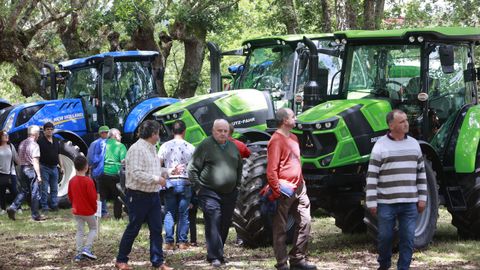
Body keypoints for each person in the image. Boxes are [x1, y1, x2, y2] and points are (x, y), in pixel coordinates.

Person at [366, 109, 427, 270]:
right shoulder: (380, 146)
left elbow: (421, 174)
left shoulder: (414, 144)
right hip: (386, 203)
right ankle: (384, 265)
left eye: (406, 120)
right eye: (402, 121)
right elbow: (372, 176)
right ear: (391, 125)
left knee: (407, 239)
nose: (406, 123)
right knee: (385, 238)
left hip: (409, 203)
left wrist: (423, 198)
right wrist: (371, 201)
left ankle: (403, 267)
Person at [115, 120, 172, 270]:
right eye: (158, 133)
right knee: (133, 228)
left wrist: (167, 172)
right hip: (138, 195)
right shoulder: (136, 149)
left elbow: (152, 169)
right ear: (153, 134)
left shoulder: (152, 148)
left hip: (153, 195)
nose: (159, 136)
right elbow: (136, 173)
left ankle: (158, 262)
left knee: (156, 229)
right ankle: (121, 260)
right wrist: (157, 179)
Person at [188, 119, 242, 268]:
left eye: (225, 131)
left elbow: (239, 167)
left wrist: (237, 185)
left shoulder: (232, 146)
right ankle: (214, 256)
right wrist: (198, 188)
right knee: (213, 218)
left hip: (230, 193)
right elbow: (192, 168)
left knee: (224, 223)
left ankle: (218, 252)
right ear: (213, 131)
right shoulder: (205, 145)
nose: (223, 133)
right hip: (208, 191)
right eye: (219, 130)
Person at [267, 108, 316, 270]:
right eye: (293, 116)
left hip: (299, 187)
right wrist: (276, 190)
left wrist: (301, 182)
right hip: (284, 190)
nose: (296, 119)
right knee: (280, 228)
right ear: (284, 120)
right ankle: (282, 263)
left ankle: (298, 259)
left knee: (305, 221)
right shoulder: (276, 140)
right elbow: (271, 170)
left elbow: (295, 161)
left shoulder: (294, 137)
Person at [158, 120, 195, 250]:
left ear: (172, 131)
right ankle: (182, 242)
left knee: (169, 212)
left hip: (170, 182)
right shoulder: (191, 147)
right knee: (183, 213)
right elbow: (193, 167)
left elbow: (159, 164)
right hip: (185, 182)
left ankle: (168, 242)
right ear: (184, 131)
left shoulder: (164, 146)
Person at [6, 125, 44, 221]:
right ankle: (35, 215)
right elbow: (35, 161)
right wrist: (39, 175)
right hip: (31, 169)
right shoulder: (35, 145)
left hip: (22, 169)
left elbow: (18, 158)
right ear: (35, 134)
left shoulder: (22, 143)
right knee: (35, 193)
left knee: (24, 191)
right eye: (39, 133)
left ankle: (13, 207)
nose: (39, 135)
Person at [68, 155, 98, 262]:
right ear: (87, 167)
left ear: (75, 167)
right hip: (88, 211)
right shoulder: (89, 181)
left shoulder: (72, 181)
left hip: (76, 210)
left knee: (80, 231)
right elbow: (92, 197)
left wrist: (74, 205)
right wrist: (95, 208)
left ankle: (78, 253)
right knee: (93, 228)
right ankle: (87, 248)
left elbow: (70, 196)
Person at [99, 128, 127, 219]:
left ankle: (98, 215)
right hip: (114, 174)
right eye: (120, 135)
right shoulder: (121, 146)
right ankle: (117, 217)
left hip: (102, 173)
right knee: (117, 197)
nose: (121, 136)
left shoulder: (103, 144)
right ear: (115, 135)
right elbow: (124, 161)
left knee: (101, 197)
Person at [38, 122, 64, 212]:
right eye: (47, 129)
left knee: (54, 188)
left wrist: (62, 166)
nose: (49, 131)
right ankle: (44, 207)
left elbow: (59, 154)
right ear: (44, 131)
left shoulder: (56, 140)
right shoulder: (40, 141)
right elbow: (37, 157)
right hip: (44, 167)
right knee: (44, 189)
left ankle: (54, 205)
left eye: (51, 129)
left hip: (54, 167)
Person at [87, 125, 109, 217]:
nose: (105, 134)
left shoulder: (94, 143)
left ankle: (100, 211)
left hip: (97, 171)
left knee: (99, 192)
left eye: (106, 132)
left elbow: (90, 158)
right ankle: (102, 212)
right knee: (101, 192)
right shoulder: (109, 143)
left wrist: (91, 166)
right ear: (101, 133)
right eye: (104, 132)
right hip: (102, 170)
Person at [0, 131, 19, 215]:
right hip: (1, 173)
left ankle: (18, 207)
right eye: (4, 135)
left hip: (11, 172)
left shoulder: (11, 146)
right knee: (2, 192)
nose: (7, 136)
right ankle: (3, 209)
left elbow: (16, 159)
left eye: (7, 135)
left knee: (14, 191)